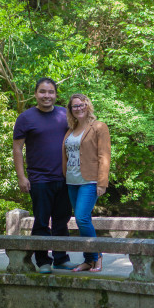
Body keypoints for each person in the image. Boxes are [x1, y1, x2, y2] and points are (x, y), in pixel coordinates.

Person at [13, 78, 77, 274]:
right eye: (42, 92)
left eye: (50, 92)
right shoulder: (26, 118)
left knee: (61, 220)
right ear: (35, 94)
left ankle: (61, 258)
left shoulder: (64, 114)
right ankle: (42, 261)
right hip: (39, 179)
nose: (46, 96)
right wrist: (21, 177)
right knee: (41, 221)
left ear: (56, 95)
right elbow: (17, 149)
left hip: (65, 178)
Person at [62, 93, 111, 272]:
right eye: (75, 106)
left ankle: (96, 256)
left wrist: (102, 182)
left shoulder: (99, 127)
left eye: (82, 104)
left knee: (82, 217)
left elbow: (104, 155)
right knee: (82, 220)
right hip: (72, 181)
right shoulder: (70, 131)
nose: (79, 108)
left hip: (89, 181)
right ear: (71, 110)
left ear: (88, 106)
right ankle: (88, 260)